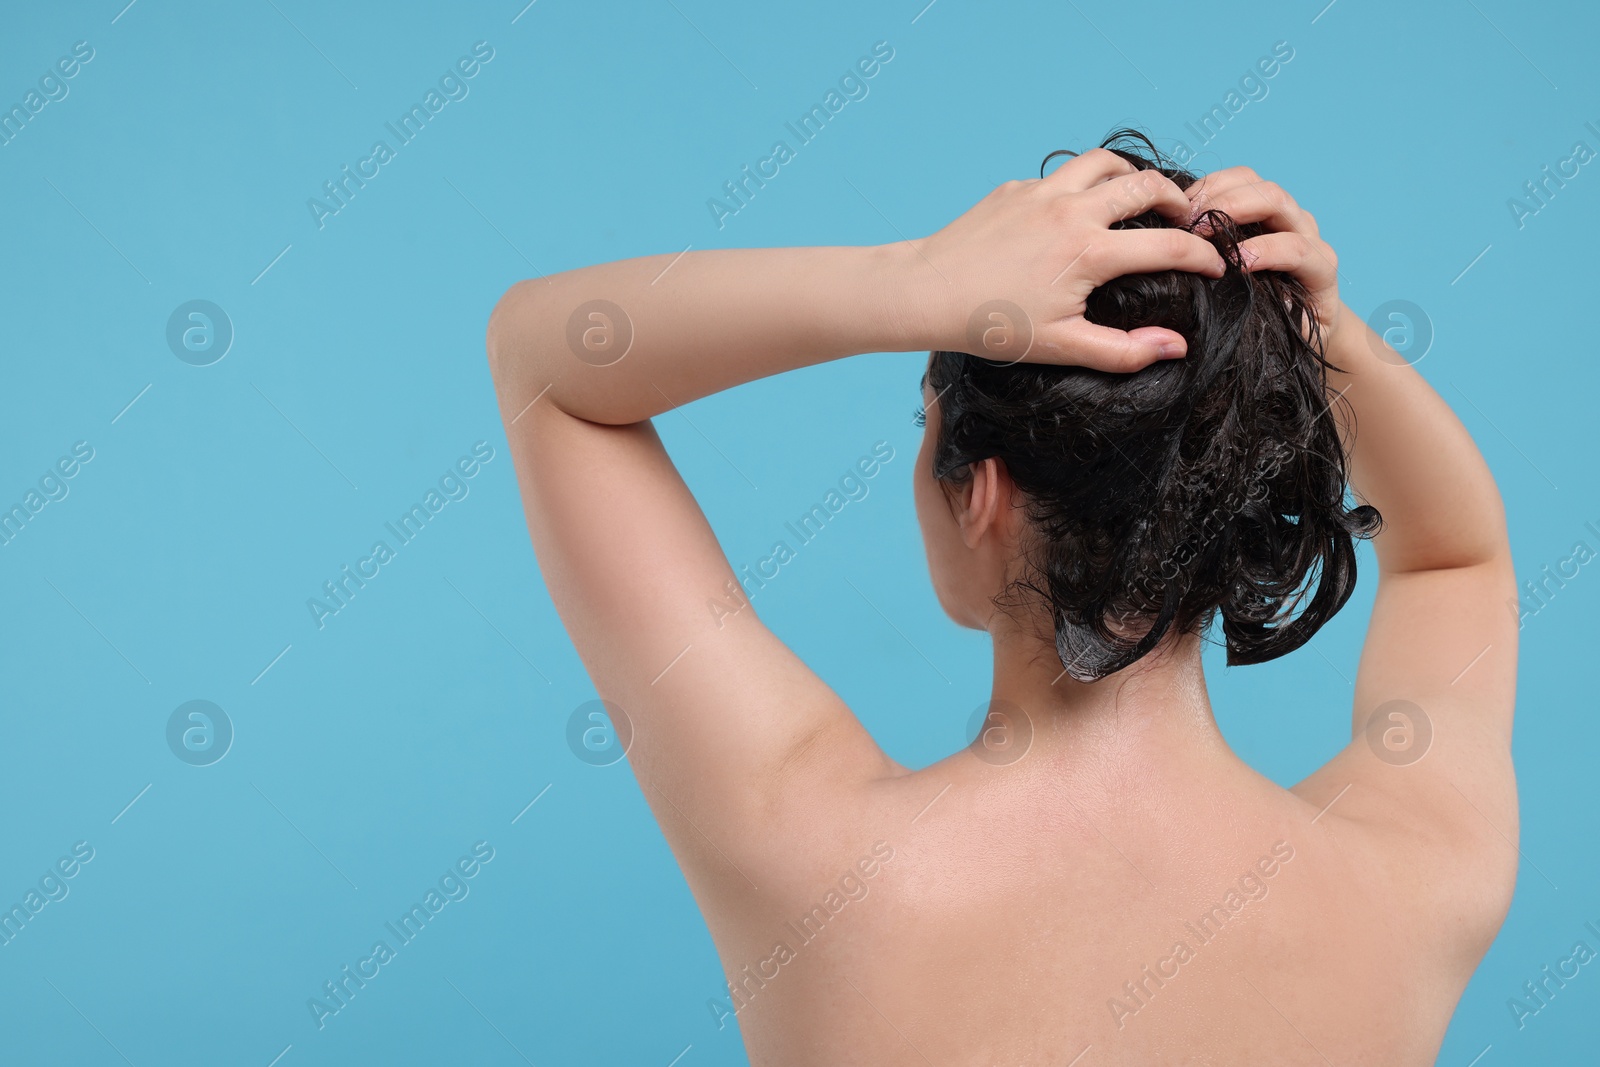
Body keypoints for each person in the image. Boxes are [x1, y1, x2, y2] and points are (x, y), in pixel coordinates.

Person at [485, 130, 1518, 1065]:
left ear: (979, 492)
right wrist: (1305, 330)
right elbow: (1451, 556)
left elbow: (546, 360)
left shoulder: (811, 852)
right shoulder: (1411, 880)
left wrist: (912, 281)